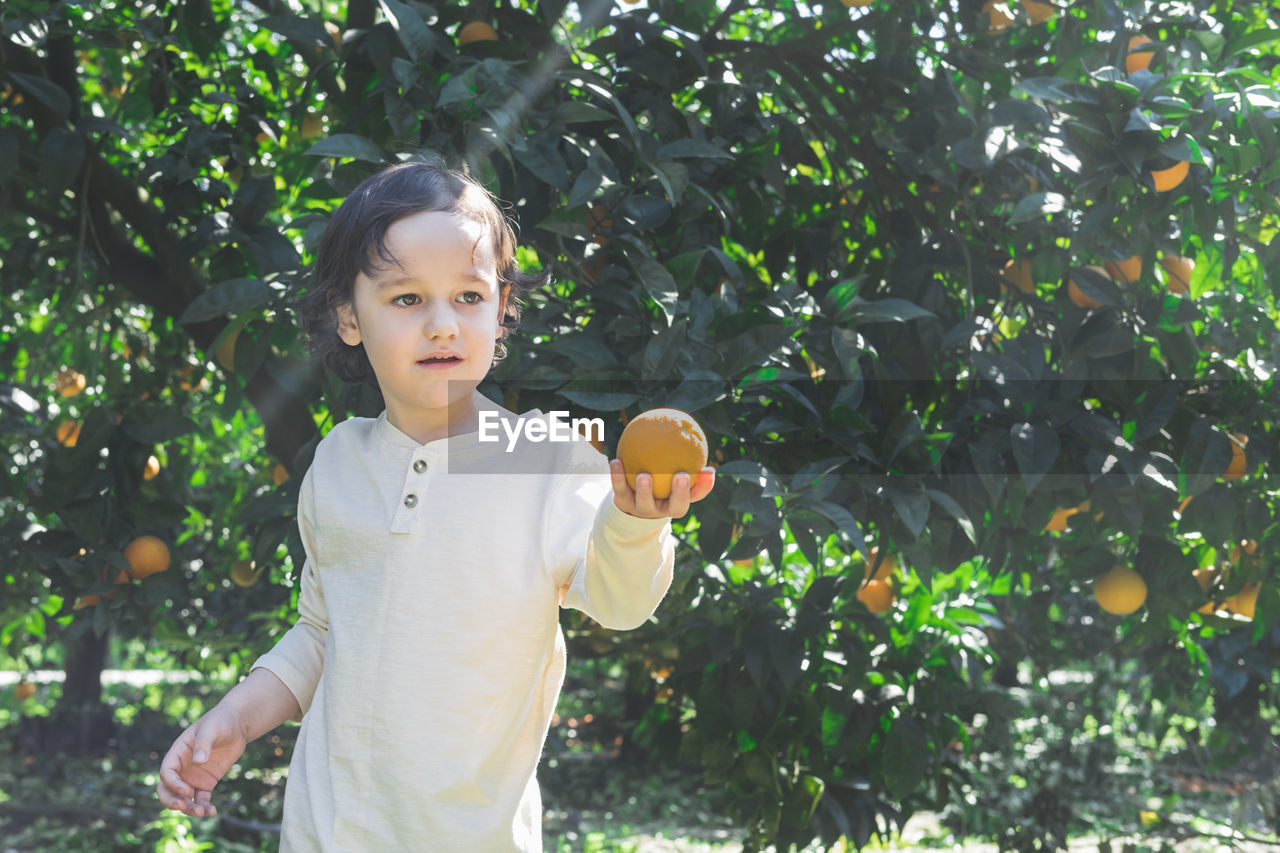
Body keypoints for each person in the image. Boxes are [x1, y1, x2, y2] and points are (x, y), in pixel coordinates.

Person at [154, 156, 716, 851]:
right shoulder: (337, 463)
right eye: (407, 299)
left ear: (503, 306)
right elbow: (325, 634)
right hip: (329, 833)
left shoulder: (545, 461)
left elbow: (621, 601)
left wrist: (635, 520)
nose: (443, 324)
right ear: (348, 317)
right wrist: (237, 719)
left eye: (470, 297)